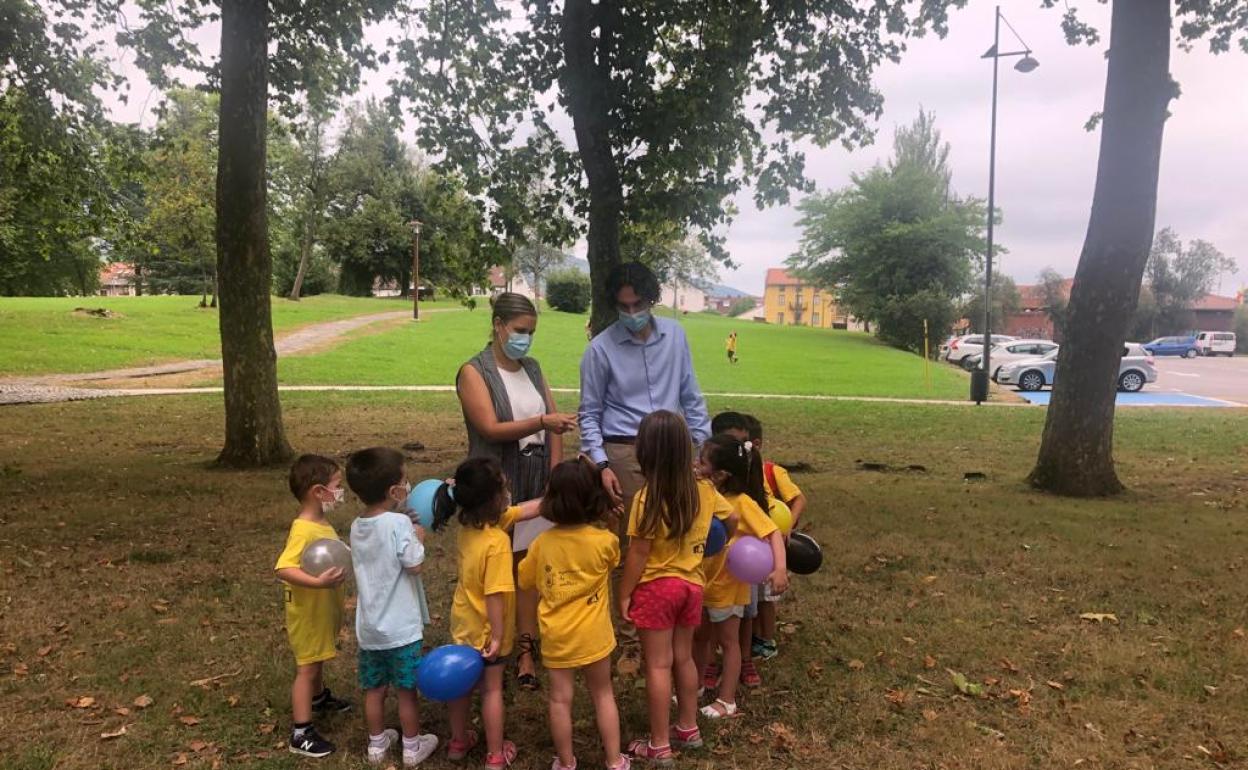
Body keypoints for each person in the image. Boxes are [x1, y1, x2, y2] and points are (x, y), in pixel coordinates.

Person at [457, 292, 577, 690]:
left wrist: (554, 473)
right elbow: (490, 428)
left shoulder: (533, 367)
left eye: (531, 332)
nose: (526, 339)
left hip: (536, 471)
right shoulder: (474, 372)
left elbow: (554, 425)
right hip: (498, 479)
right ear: (498, 325)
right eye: (520, 331)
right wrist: (541, 419)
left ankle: (524, 650)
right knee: (493, 567)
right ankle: (488, 643)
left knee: (526, 569)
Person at [617, 411, 734, 766]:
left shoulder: (646, 498)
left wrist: (624, 593)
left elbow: (638, 552)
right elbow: (732, 520)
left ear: (645, 453)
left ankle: (659, 744)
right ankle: (688, 727)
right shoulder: (706, 489)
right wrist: (715, 541)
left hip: (657, 590)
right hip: (691, 588)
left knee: (657, 665)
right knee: (683, 658)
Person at [579, 262, 711, 531]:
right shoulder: (600, 350)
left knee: (676, 533)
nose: (631, 313)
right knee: (632, 538)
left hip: (674, 449)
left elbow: (690, 394)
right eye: (623, 306)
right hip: (626, 453)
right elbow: (589, 414)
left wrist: (704, 448)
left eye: (637, 304)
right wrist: (602, 465)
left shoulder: (675, 334)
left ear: (651, 299)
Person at [432, 457, 543, 770]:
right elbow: (495, 594)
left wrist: (556, 496)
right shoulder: (496, 543)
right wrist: (496, 635)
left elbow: (527, 510)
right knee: (492, 689)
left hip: (463, 626)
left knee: (461, 686)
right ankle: (495, 754)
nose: (508, 494)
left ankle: (458, 741)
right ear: (494, 498)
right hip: (487, 634)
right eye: (505, 488)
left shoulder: (469, 527)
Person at [517, 458, 629, 770]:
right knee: (603, 694)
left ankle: (566, 763)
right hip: (595, 637)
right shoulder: (604, 541)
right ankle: (614, 760)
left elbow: (525, 579)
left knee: (559, 700)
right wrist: (614, 526)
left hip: (557, 638)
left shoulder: (541, 544)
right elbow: (612, 559)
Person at [344, 447, 439, 766]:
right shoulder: (399, 523)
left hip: (370, 628)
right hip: (401, 629)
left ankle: (376, 744)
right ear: (394, 491)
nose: (409, 486)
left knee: (374, 688)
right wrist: (418, 538)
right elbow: (413, 564)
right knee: (406, 690)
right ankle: (412, 746)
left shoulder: (357, 526)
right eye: (405, 480)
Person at [693, 435, 788, 718]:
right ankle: (695, 685)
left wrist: (780, 568)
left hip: (729, 586)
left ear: (720, 474)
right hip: (701, 581)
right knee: (699, 638)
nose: (696, 465)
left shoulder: (743, 503)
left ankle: (727, 700)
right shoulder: (702, 494)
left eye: (702, 462)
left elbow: (772, 532)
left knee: (729, 641)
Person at [274, 454, 351, 759]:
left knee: (317, 659)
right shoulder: (304, 528)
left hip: (322, 609)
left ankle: (318, 698)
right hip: (308, 612)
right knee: (307, 667)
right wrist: (318, 584)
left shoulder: (319, 522)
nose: (340, 493)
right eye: (337, 486)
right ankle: (301, 732)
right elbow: (283, 568)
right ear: (318, 492)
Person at [743, 413, 806, 660]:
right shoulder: (732, 474)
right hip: (746, 546)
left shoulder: (771, 471)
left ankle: (765, 640)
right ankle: (747, 638)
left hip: (770, 544)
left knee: (767, 596)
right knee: (747, 595)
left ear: (755, 444)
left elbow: (799, 499)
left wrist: (788, 525)